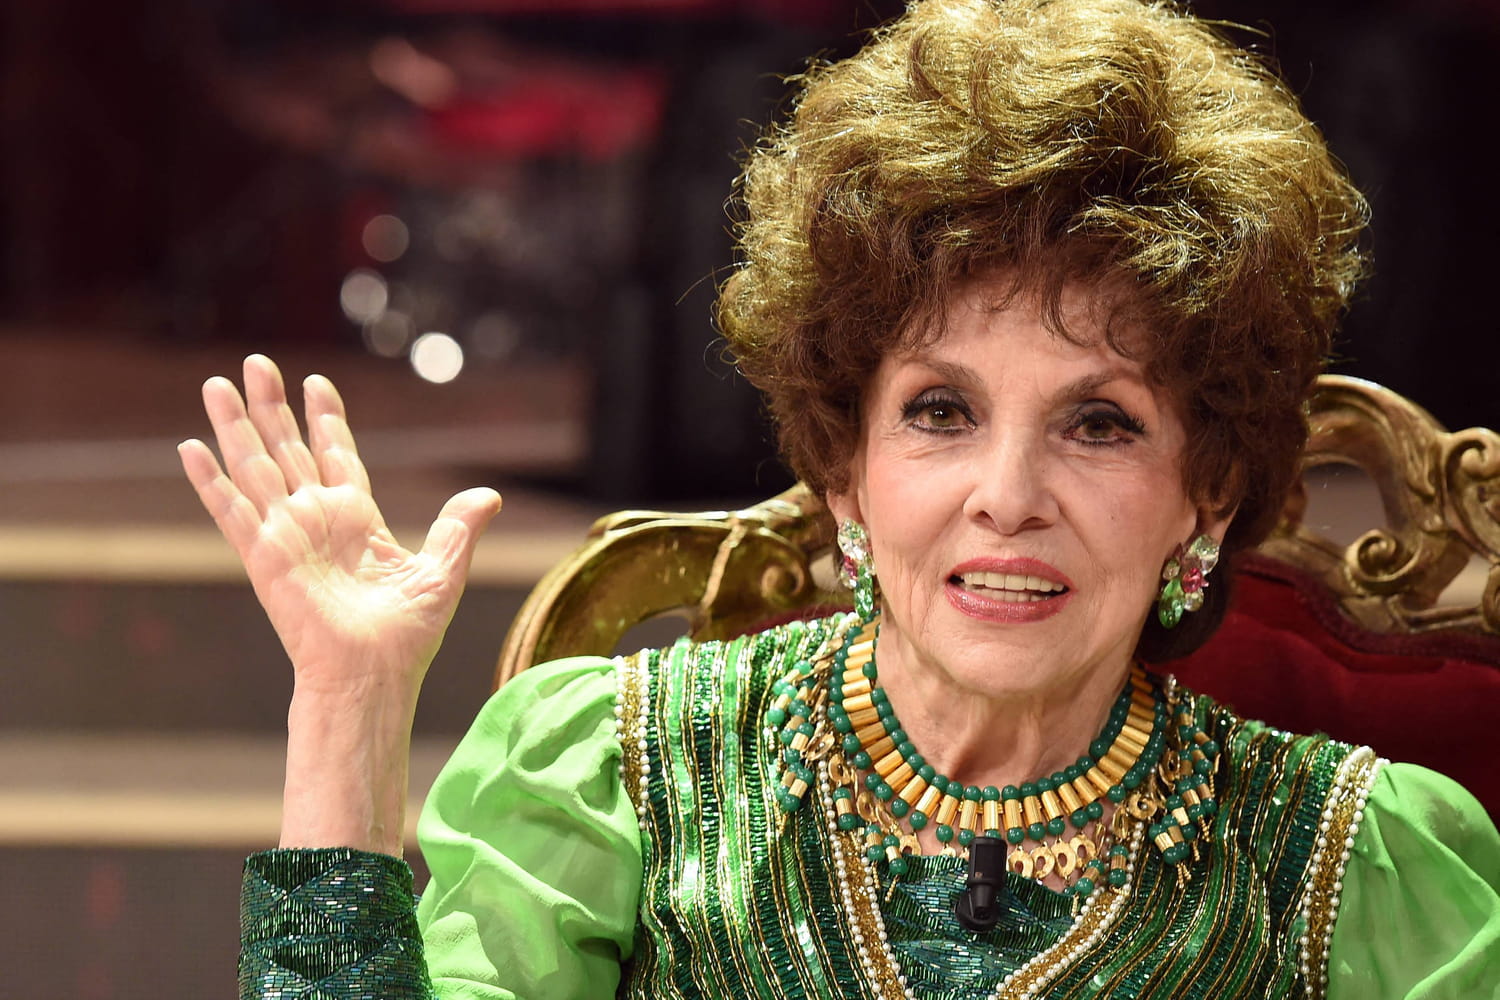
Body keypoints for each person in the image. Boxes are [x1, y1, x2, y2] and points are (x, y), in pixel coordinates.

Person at [180, 1, 1500, 997]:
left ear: (1205, 493)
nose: (1008, 498)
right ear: (843, 466)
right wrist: (348, 706)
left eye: (1098, 424)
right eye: (941, 412)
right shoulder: (617, 776)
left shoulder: (1352, 866)